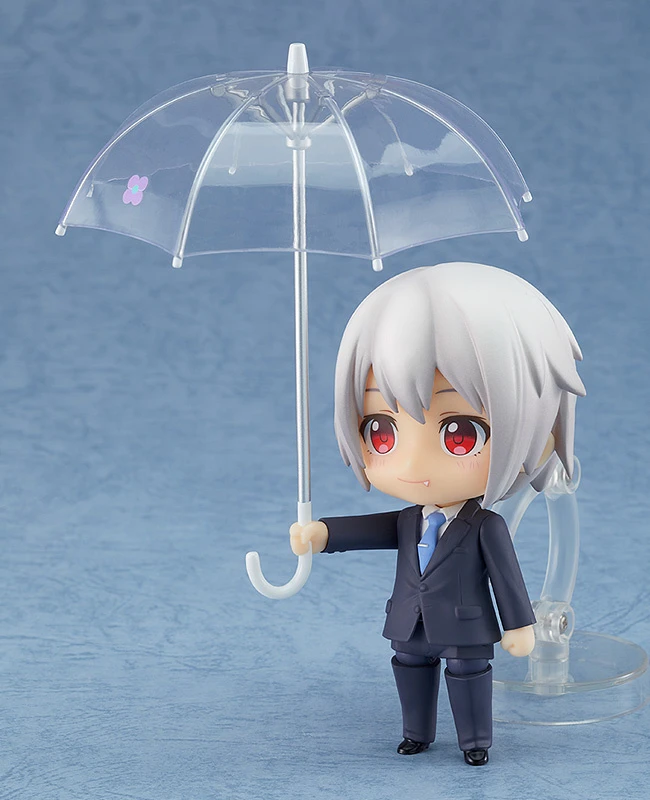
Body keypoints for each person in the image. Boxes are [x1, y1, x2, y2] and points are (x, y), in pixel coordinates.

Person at [290, 262, 585, 766]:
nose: (411, 465)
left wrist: (520, 626)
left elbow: (508, 578)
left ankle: (475, 742)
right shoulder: (410, 520)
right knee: (410, 670)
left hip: (467, 627)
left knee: (468, 678)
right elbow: (373, 529)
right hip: (410, 623)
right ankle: (416, 734)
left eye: (460, 434)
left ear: (541, 433)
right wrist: (322, 534)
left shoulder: (485, 525)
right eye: (381, 430)